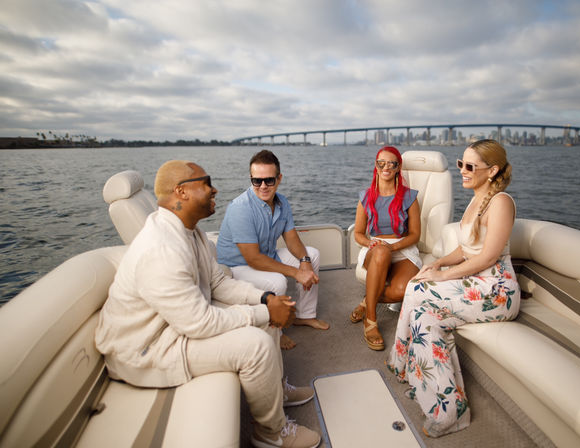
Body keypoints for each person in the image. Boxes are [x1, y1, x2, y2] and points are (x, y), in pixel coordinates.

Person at [95, 160, 321, 448]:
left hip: (174, 325)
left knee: (267, 318)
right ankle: (271, 434)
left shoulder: (191, 231)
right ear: (182, 192)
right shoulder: (161, 249)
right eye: (206, 183)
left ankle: (276, 389)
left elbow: (217, 284)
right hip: (145, 350)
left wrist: (265, 299)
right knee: (257, 345)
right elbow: (200, 323)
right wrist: (265, 311)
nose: (214, 189)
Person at [386, 139, 521, 438]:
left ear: (493, 170)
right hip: (476, 283)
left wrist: (444, 277)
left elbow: (487, 256)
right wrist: (435, 265)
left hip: (496, 290)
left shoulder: (501, 202)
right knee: (424, 316)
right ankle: (446, 405)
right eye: (461, 163)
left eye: (470, 166)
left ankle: (403, 366)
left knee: (419, 291)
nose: (463, 170)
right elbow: (466, 249)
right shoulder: (476, 199)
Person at [217, 150, 328, 350]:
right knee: (277, 282)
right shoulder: (240, 208)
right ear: (251, 179)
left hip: (266, 255)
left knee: (313, 254)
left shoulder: (282, 202)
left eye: (269, 180)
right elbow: (253, 259)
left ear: (279, 178)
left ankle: (304, 315)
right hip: (237, 266)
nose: (263, 186)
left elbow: (292, 238)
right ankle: (277, 330)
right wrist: (297, 273)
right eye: (256, 181)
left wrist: (305, 262)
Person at [351, 146, 422, 351]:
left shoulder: (410, 197)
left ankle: (367, 301)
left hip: (402, 248)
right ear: (376, 165)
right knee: (381, 251)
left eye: (392, 163)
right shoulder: (365, 197)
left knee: (403, 290)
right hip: (375, 248)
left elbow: (415, 235)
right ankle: (371, 321)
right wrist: (372, 244)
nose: (386, 167)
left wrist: (394, 246)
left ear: (398, 168)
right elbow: (358, 233)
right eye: (381, 163)